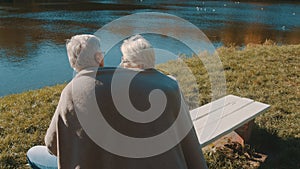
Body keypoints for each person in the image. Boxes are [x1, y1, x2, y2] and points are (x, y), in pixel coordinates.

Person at [26, 34, 104, 169]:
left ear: (73, 63)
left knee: (33, 153)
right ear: (100, 58)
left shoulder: (71, 92)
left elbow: (52, 145)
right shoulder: (122, 85)